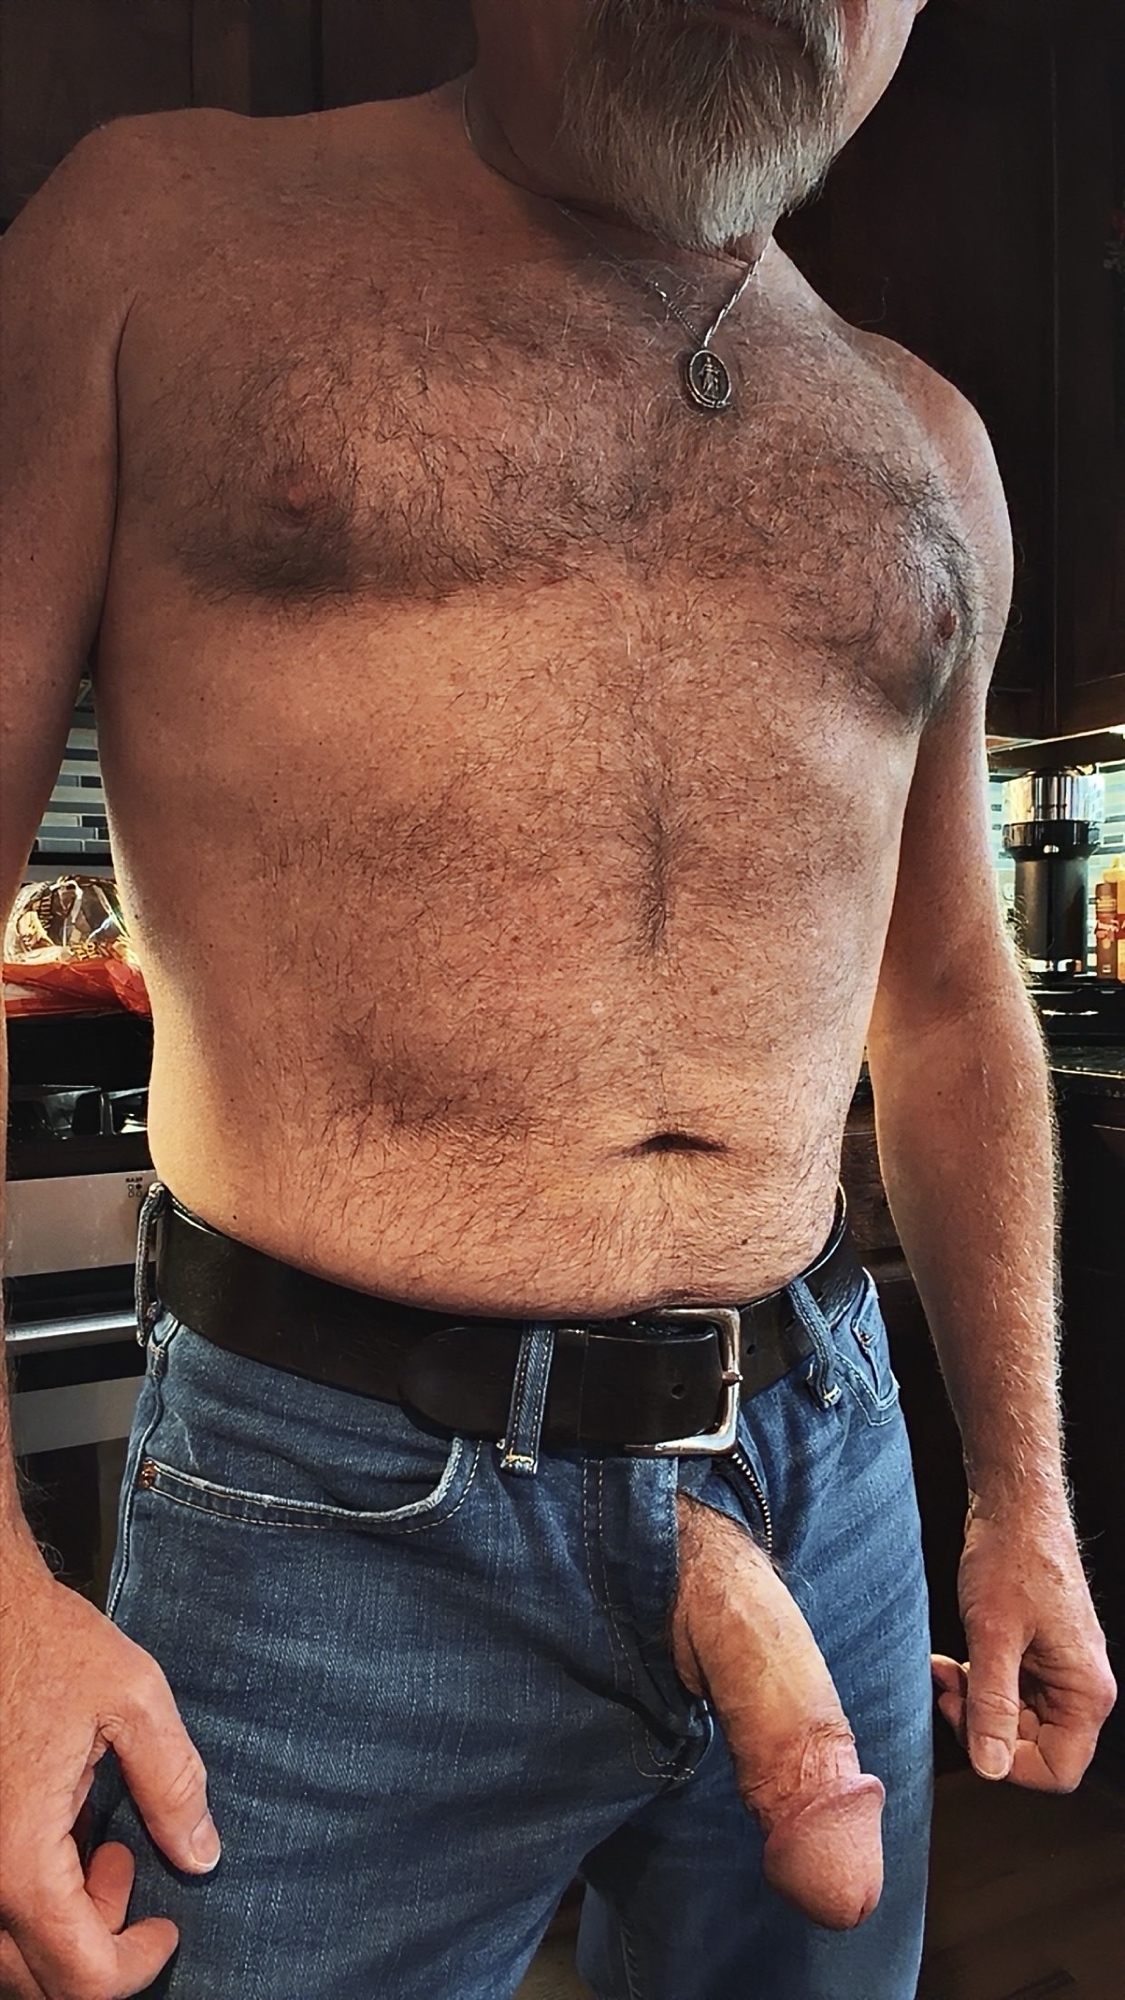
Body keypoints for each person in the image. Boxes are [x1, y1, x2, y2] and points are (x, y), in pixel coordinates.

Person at [0, 0, 1115, 1994]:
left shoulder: (925, 443)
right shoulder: (152, 244)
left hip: (823, 1457)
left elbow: (950, 1000)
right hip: (322, 1507)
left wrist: (1021, 1497)